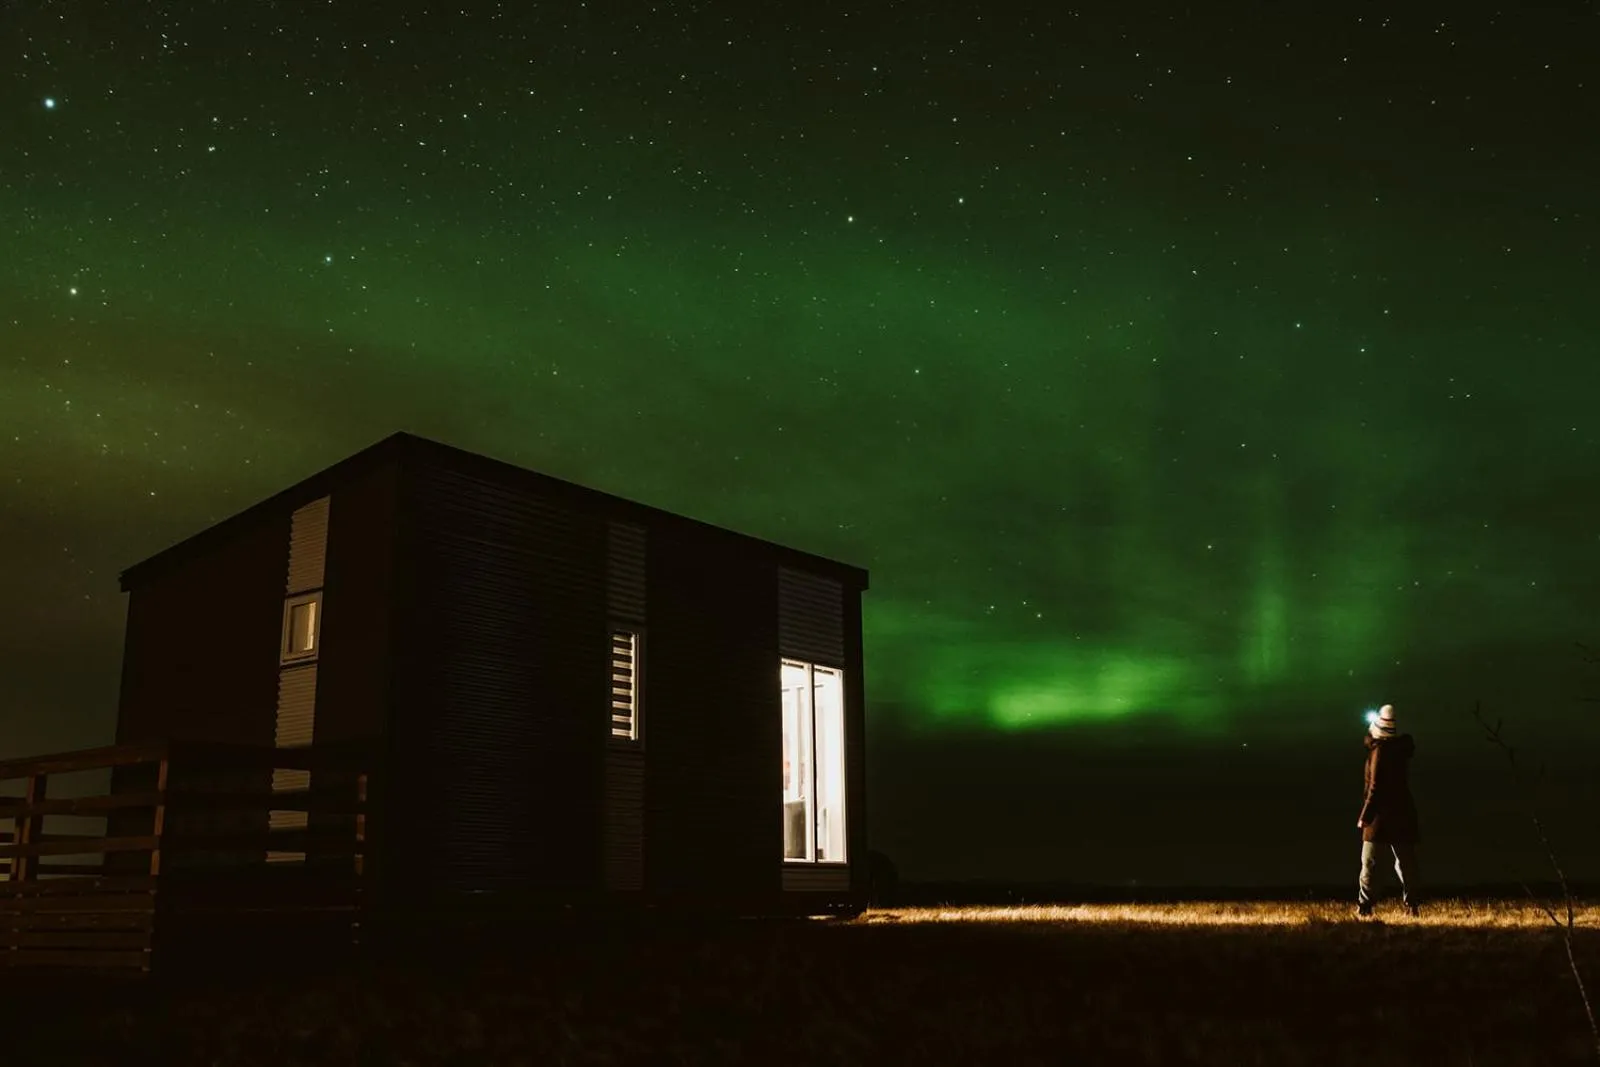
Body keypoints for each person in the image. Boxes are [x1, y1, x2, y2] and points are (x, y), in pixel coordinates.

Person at [1355, 703, 1420, 917]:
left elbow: (1374, 787)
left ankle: (1364, 906)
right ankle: (1412, 906)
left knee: (1369, 862)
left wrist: (1365, 816)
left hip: (1380, 816)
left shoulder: (1379, 752)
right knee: (1405, 863)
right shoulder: (1401, 751)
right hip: (1403, 813)